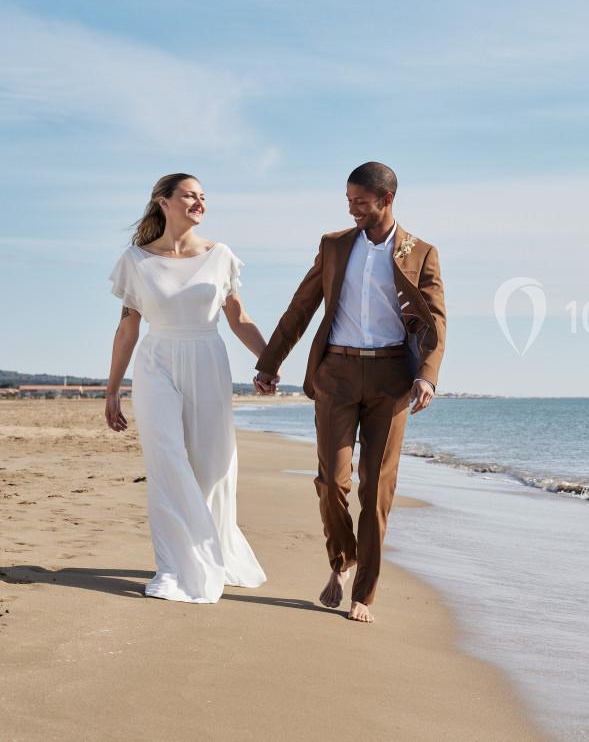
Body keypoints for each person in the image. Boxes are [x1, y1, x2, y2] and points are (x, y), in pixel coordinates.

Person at [253, 161, 445, 623]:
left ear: (386, 200)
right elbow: (301, 305)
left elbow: (435, 320)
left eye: (360, 202)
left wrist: (428, 375)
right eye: (348, 201)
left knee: (376, 488)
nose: (352, 209)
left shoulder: (420, 252)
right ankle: (342, 559)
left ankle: (364, 593)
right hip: (336, 373)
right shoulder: (335, 245)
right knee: (331, 482)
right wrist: (269, 362)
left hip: (391, 380)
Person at [104, 173, 268, 603]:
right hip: (156, 361)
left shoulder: (221, 255)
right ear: (163, 202)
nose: (199, 203)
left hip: (207, 360)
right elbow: (127, 329)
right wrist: (112, 389)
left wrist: (270, 362)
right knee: (167, 461)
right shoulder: (135, 260)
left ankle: (212, 547)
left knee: (212, 467)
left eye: (202, 197)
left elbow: (238, 319)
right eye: (189, 196)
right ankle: (178, 567)